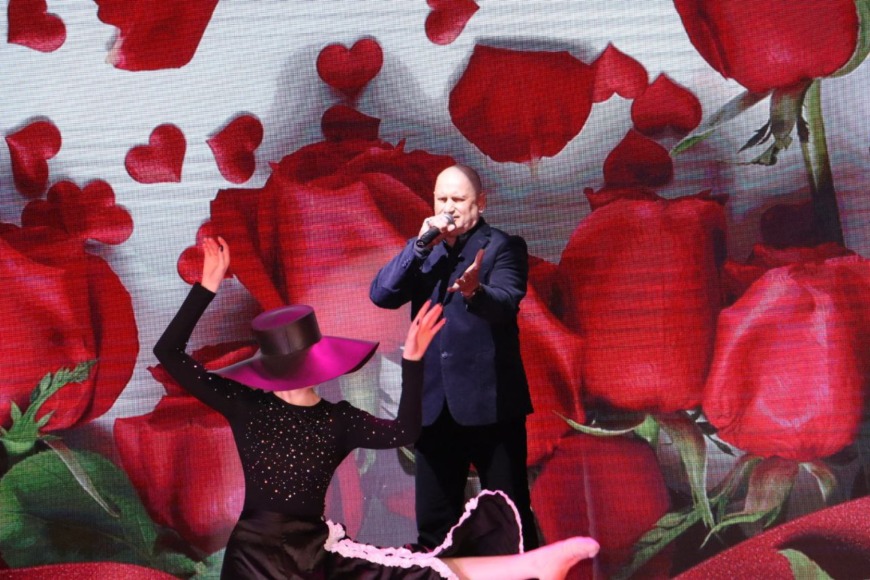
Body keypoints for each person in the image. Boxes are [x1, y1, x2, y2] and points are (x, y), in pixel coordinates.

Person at [154, 236, 598, 580]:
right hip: (252, 559)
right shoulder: (246, 404)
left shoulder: (337, 420)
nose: (288, 382)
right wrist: (206, 288)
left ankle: (532, 565)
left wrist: (413, 362)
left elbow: (405, 432)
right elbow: (169, 353)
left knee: (411, 572)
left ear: (317, 366)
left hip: (313, 554)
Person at [370, 164, 538, 551]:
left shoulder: (502, 246)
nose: (449, 208)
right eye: (442, 199)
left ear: (481, 202)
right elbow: (381, 294)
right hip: (433, 407)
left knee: (510, 518)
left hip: (490, 406)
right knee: (435, 527)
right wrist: (418, 246)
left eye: (458, 200)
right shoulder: (423, 253)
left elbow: (505, 303)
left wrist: (475, 292)